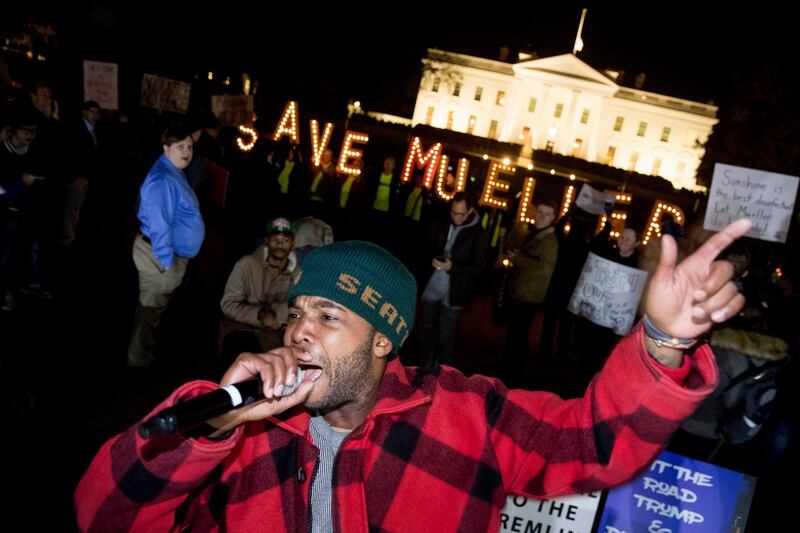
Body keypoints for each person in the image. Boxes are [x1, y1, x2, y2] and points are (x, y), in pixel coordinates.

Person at [76, 219, 752, 532]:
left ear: (382, 339)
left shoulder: (467, 415)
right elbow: (103, 514)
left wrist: (662, 340)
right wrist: (215, 422)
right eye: (297, 311)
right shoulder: (243, 432)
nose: (298, 330)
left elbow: (593, 442)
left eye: (329, 314)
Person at [126, 126, 204, 368]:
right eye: (180, 146)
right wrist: (166, 261)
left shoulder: (173, 171)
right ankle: (138, 360)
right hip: (158, 254)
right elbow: (160, 224)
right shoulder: (162, 179)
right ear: (165, 148)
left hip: (164, 254)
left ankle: (144, 351)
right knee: (150, 307)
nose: (187, 151)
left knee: (154, 306)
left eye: (189, 146)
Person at [218, 216, 301, 370]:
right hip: (240, 328)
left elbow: (299, 310)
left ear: (293, 244)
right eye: (275, 239)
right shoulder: (247, 264)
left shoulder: (298, 275)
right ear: (267, 241)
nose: (280, 245)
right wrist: (259, 314)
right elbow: (228, 304)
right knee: (236, 367)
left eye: (285, 240)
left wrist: (277, 314)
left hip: (276, 336)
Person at [419, 192, 488, 366]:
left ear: (470, 211)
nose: (456, 217)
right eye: (453, 213)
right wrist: (431, 259)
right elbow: (425, 245)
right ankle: (424, 367)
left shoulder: (478, 233)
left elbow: (479, 268)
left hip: (455, 291)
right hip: (432, 286)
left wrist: (453, 267)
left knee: (445, 334)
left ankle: (444, 373)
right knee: (427, 328)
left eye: (460, 214)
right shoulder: (442, 222)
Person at [501, 199, 559, 384]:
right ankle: (510, 371)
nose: (541, 216)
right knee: (515, 334)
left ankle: (513, 376)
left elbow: (543, 269)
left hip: (528, 295)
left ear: (553, 218)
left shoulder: (549, 241)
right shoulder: (537, 234)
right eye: (540, 212)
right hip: (521, 292)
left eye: (546, 214)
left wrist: (518, 258)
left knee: (519, 336)